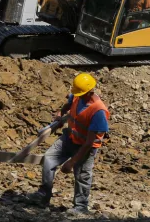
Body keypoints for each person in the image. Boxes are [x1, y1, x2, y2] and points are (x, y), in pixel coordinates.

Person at [29, 73, 109, 214]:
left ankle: (81, 206)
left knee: (82, 176)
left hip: (85, 147)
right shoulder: (77, 96)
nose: (79, 96)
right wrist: (61, 114)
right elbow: (68, 104)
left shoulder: (98, 111)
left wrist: (71, 162)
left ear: (91, 91)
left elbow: (89, 142)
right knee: (49, 157)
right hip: (69, 138)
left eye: (82, 93)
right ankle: (43, 195)